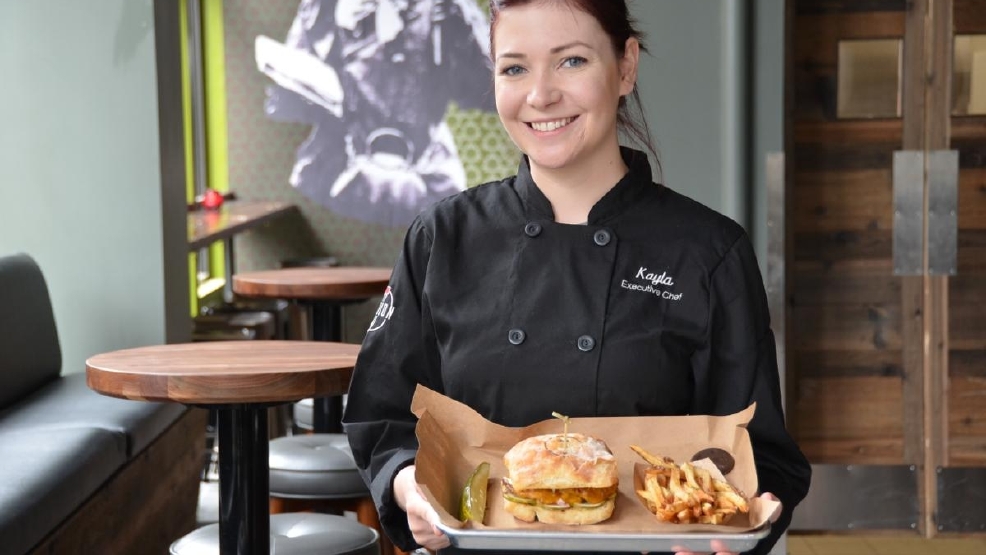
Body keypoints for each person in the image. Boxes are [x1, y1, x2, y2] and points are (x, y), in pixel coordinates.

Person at [343, 1, 812, 554]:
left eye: (571, 61)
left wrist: (735, 535)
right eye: (514, 68)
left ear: (626, 66)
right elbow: (382, 414)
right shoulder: (442, 238)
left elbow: (763, 454)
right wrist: (410, 491)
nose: (540, 95)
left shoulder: (709, 251)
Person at [257, 0, 495, 228]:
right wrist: (333, 34)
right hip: (338, 162)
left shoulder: (446, 7)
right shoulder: (325, 5)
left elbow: (488, 92)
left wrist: (462, 29)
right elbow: (287, 100)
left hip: (426, 166)